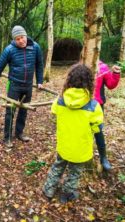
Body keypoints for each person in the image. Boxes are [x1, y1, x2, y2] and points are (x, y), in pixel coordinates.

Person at [42, 64, 104, 203]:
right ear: (89, 82)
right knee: (75, 172)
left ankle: (48, 190)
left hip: (64, 145)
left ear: (69, 81)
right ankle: (67, 193)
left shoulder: (60, 101)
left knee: (58, 166)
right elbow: (97, 128)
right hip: (81, 148)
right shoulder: (94, 106)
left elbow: (54, 111)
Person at [0, 25, 44, 148]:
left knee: (24, 110)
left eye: (22, 37)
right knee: (10, 111)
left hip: (28, 86)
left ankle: (19, 133)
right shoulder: (9, 50)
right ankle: (7, 137)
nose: (21, 41)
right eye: (17, 39)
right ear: (14, 39)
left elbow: (39, 65)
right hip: (14, 85)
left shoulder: (35, 47)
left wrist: (40, 81)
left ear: (26, 35)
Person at [94, 61, 120, 171]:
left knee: (98, 131)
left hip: (97, 105)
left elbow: (110, 84)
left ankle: (103, 158)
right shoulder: (80, 65)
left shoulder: (102, 67)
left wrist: (115, 74)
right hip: (81, 105)